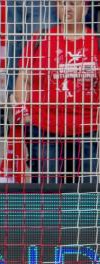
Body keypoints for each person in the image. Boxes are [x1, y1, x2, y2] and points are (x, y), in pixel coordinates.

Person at [13, 0, 100, 183]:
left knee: (86, 193)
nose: (66, 8)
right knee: (47, 192)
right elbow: (23, 79)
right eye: (61, 3)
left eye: (72, 4)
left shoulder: (96, 41)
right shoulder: (41, 39)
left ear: (85, 8)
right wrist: (24, 113)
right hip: (45, 127)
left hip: (87, 128)